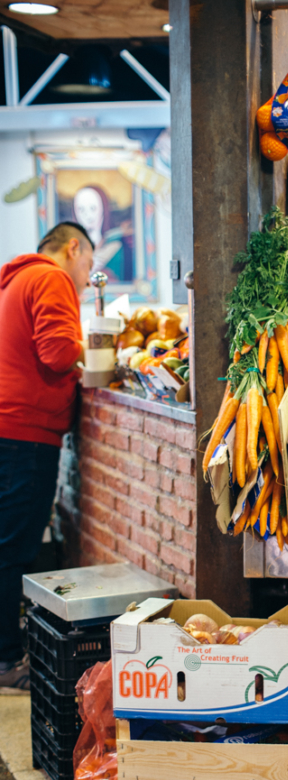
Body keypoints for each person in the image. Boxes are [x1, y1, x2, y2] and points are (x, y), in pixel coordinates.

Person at [0, 222, 93, 690]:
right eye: (89, 266)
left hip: (9, 427)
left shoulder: (16, 278)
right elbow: (58, 353)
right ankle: (5, 660)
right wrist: (96, 348)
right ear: (73, 248)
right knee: (12, 549)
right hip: (25, 433)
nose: (85, 277)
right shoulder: (50, 277)